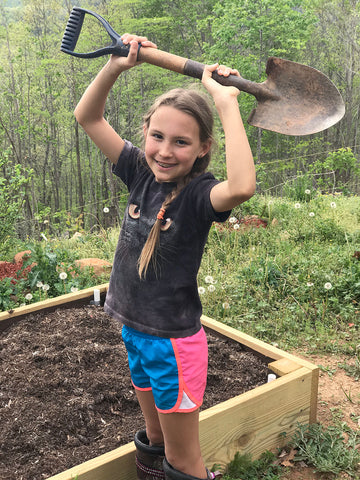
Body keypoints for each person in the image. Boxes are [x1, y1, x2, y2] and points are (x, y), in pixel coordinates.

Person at [74, 34, 256, 480]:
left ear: (202, 148)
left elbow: (242, 187)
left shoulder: (199, 195)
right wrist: (116, 66)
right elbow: (88, 116)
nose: (165, 150)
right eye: (157, 136)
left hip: (173, 344)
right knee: (156, 443)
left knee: (184, 459)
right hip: (134, 329)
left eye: (181, 142)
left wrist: (226, 103)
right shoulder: (138, 171)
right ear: (145, 134)